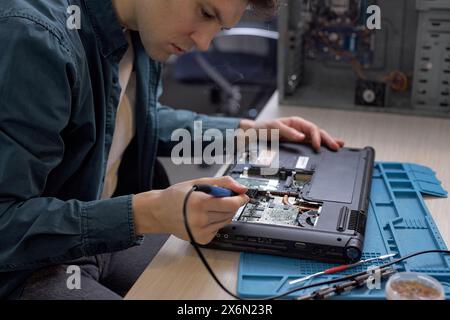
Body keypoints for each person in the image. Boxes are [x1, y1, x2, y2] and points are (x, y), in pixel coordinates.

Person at [0, 0, 345, 300]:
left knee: (223, 283)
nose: (205, 41)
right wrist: (146, 213)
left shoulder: (139, 27)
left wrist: (246, 133)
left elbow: (134, 117)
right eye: (205, 12)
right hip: (26, 267)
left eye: (220, 26)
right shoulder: (36, 38)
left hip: (97, 237)